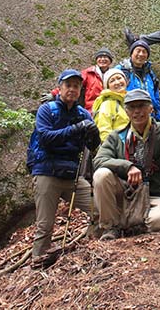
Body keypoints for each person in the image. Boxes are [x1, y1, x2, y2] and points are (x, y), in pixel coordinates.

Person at [92, 89, 160, 240]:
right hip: (127, 193)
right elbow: (99, 160)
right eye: (132, 107)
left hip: (156, 194)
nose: (137, 111)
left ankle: (135, 227)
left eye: (141, 106)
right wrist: (127, 166)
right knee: (101, 175)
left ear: (151, 108)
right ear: (126, 111)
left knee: (159, 222)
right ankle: (111, 227)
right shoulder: (117, 136)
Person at [26, 69, 101, 268]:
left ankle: (92, 247)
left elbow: (93, 147)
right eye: (68, 85)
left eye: (76, 86)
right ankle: (37, 264)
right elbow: (45, 137)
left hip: (72, 176)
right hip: (46, 172)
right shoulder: (47, 110)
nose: (72, 89)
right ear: (60, 88)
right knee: (45, 225)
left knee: (99, 210)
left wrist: (94, 135)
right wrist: (76, 129)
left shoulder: (83, 113)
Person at [117, 40, 160, 120]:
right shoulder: (121, 71)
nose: (141, 54)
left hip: (149, 118)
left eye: (144, 52)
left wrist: (159, 117)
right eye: (138, 51)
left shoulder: (150, 74)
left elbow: (156, 97)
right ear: (131, 53)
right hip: (127, 118)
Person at [91, 68, 129, 142]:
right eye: (112, 81)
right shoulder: (107, 104)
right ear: (108, 86)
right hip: (118, 148)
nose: (117, 82)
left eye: (119, 78)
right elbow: (104, 131)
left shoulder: (128, 101)